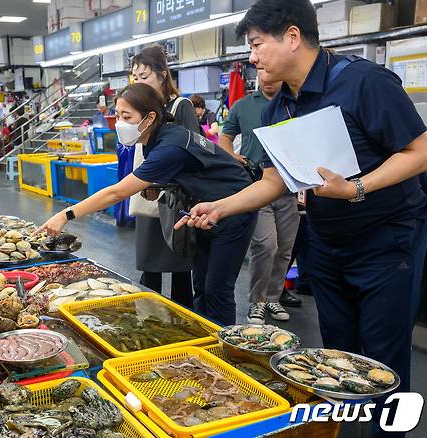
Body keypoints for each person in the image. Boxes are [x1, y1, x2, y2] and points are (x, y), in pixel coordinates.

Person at [176, 1, 427, 434]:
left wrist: (357, 188)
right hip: (327, 247)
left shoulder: (364, 83)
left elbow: (419, 151)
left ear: (292, 37)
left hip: (385, 244)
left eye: (257, 44)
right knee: (337, 359)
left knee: (383, 361)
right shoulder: (279, 108)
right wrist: (221, 207)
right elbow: (276, 182)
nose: (252, 57)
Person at [38, 83, 255, 325]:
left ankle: (227, 352)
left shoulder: (170, 145)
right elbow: (193, 170)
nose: (119, 122)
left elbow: (116, 194)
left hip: (235, 209)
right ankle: (207, 338)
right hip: (204, 208)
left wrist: (66, 215)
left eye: (126, 116)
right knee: (202, 286)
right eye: (118, 115)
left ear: (150, 117)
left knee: (217, 290)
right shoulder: (158, 137)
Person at [219, 73, 302, 323]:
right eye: (261, 74)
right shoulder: (243, 106)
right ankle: (257, 301)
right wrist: (232, 155)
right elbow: (225, 137)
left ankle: (273, 299)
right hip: (256, 185)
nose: (266, 79)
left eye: (272, 74)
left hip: (288, 187)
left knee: (286, 247)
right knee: (266, 245)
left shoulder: (295, 103)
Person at [129, 44, 200, 308]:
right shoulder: (141, 108)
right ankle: (150, 324)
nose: (139, 82)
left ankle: (185, 326)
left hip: (175, 200)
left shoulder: (181, 106)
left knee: (181, 267)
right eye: (135, 77)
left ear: (162, 74)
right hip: (148, 195)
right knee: (150, 268)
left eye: (144, 76)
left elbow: (193, 152)